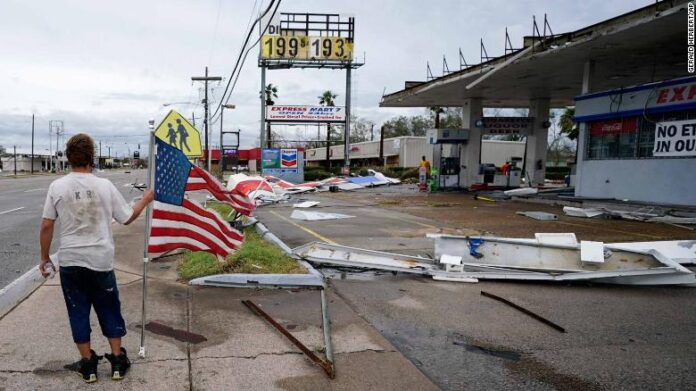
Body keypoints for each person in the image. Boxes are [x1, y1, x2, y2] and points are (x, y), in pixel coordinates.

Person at [39, 133, 154, 383]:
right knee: (109, 309)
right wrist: (144, 199)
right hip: (101, 261)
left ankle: (89, 366)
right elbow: (126, 217)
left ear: (68, 158)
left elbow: (47, 225)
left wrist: (45, 257)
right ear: (92, 157)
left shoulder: (57, 187)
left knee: (77, 312)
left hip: (70, 261)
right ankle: (117, 362)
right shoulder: (105, 186)